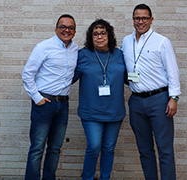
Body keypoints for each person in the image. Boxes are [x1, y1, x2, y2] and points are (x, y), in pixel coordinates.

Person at [120, 4, 181, 180]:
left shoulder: (162, 41)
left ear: (151, 19)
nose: (141, 21)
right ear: (133, 20)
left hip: (159, 100)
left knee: (165, 149)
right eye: (137, 18)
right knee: (144, 150)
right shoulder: (126, 41)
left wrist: (174, 97)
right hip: (136, 101)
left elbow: (172, 71)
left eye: (144, 18)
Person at [22, 14, 78, 180]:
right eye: (63, 26)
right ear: (56, 29)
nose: (66, 30)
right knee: (37, 147)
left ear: (74, 31)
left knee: (55, 148)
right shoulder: (43, 47)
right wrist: (36, 97)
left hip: (63, 105)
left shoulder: (75, 49)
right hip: (44, 104)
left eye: (70, 27)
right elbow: (27, 74)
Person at [73, 19, 126, 180]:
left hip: (114, 112)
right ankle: (87, 178)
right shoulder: (82, 55)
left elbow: (131, 76)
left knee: (109, 148)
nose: (99, 37)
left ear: (109, 35)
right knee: (94, 146)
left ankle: (105, 178)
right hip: (91, 113)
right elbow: (67, 77)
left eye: (103, 33)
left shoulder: (119, 54)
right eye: (95, 34)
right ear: (91, 37)